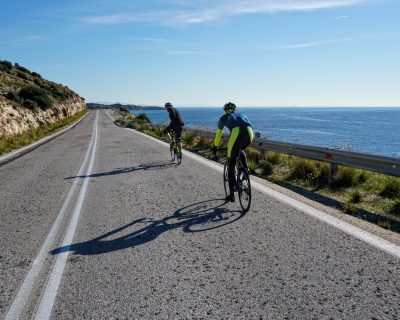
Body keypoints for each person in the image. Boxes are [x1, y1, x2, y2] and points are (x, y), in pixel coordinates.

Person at [212, 102, 254, 202]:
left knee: (231, 163)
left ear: (225, 110)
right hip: (249, 134)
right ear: (234, 109)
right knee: (240, 150)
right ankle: (246, 170)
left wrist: (215, 146)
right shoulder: (242, 114)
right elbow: (247, 124)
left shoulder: (223, 118)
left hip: (237, 133)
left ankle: (231, 195)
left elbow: (219, 134)